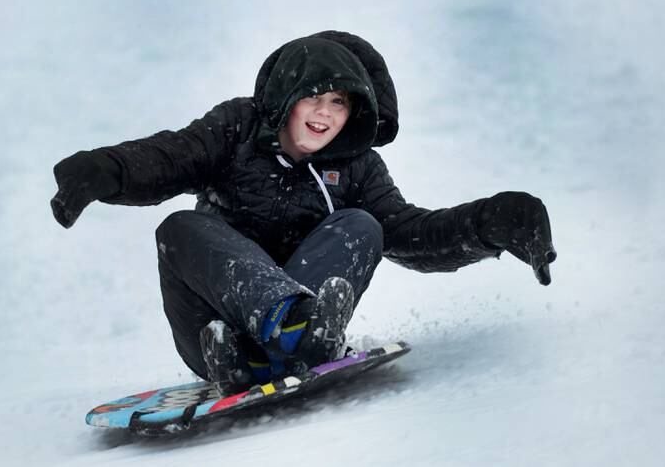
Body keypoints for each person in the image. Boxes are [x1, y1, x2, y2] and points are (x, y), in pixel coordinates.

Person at [50, 30, 557, 395]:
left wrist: (489, 224)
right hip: (214, 330)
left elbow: (410, 233)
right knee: (180, 228)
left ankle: (300, 334)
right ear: (287, 97)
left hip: (312, 331)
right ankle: (267, 337)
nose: (323, 113)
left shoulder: (357, 167)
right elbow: (168, 158)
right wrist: (101, 171)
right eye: (313, 96)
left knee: (363, 223)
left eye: (338, 102)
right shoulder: (237, 129)